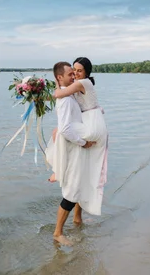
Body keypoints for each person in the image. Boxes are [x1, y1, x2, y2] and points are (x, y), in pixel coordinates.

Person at [46, 58, 109, 242]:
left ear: (86, 72)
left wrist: (74, 137)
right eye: (72, 71)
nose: (75, 74)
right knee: (76, 183)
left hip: (87, 133)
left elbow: (61, 101)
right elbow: (66, 126)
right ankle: (63, 229)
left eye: (78, 71)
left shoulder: (77, 88)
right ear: (60, 77)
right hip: (82, 137)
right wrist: (79, 140)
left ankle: (75, 219)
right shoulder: (68, 97)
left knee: (80, 179)